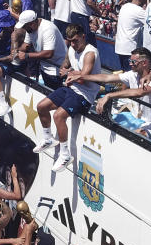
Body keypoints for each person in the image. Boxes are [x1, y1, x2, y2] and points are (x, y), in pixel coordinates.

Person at [34, 24, 102, 172]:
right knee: (41, 106)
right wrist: (65, 69)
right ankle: (48, 138)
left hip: (85, 95)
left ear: (83, 36)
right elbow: (65, 65)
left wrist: (69, 73)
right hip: (71, 88)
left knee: (58, 116)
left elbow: (83, 79)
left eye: (75, 40)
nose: (72, 44)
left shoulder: (90, 53)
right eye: (70, 41)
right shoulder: (72, 48)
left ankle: (65, 154)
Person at [67, 47, 151, 140]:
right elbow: (106, 78)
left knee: (133, 137)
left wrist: (109, 95)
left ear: (144, 63)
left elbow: (139, 92)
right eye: (129, 61)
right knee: (104, 124)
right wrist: (81, 77)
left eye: (133, 62)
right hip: (135, 118)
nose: (130, 64)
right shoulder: (133, 74)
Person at [114, 0, 149, 70]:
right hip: (129, 50)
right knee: (132, 75)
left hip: (120, 47)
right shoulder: (138, 11)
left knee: (125, 74)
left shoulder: (125, 6)